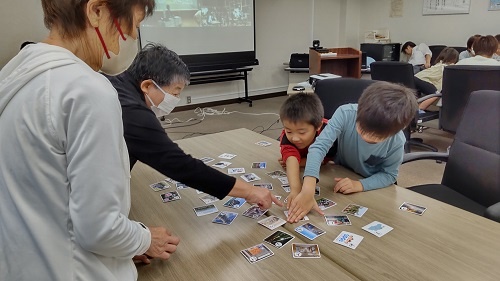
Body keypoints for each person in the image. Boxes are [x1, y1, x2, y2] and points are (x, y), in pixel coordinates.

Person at [0, 1, 180, 280]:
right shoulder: (88, 90)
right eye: (134, 26)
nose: (133, 39)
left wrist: (124, 242)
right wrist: (144, 239)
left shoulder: (15, 71)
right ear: (97, 12)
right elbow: (99, 229)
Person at [105, 44, 281, 239]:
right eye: (175, 92)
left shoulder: (115, 83)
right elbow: (179, 164)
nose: (177, 98)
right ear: (147, 85)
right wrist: (248, 191)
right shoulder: (133, 112)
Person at [286, 82, 418, 222]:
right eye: (361, 128)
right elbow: (319, 147)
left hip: (372, 189)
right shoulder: (345, 113)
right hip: (340, 174)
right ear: (359, 109)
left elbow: (389, 175)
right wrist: (308, 188)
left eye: (377, 137)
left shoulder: (397, 141)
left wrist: (360, 184)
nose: (365, 137)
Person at [277, 93, 336, 213]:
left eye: (302, 132)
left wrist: (302, 162)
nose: (294, 138)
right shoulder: (286, 137)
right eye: (289, 131)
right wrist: (295, 191)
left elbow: (329, 157)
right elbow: (291, 160)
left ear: (318, 126)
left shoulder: (329, 132)